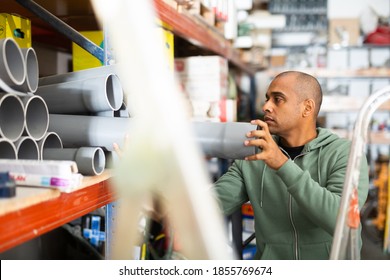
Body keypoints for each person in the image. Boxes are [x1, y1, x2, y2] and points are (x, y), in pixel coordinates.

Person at [213, 70, 369, 260]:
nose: (266, 106)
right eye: (267, 99)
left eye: (278, 99)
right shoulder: (254, 155)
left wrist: (281, 164)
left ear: (307, 108)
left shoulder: (345, 153)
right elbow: (212, 203)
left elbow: (342, 220)